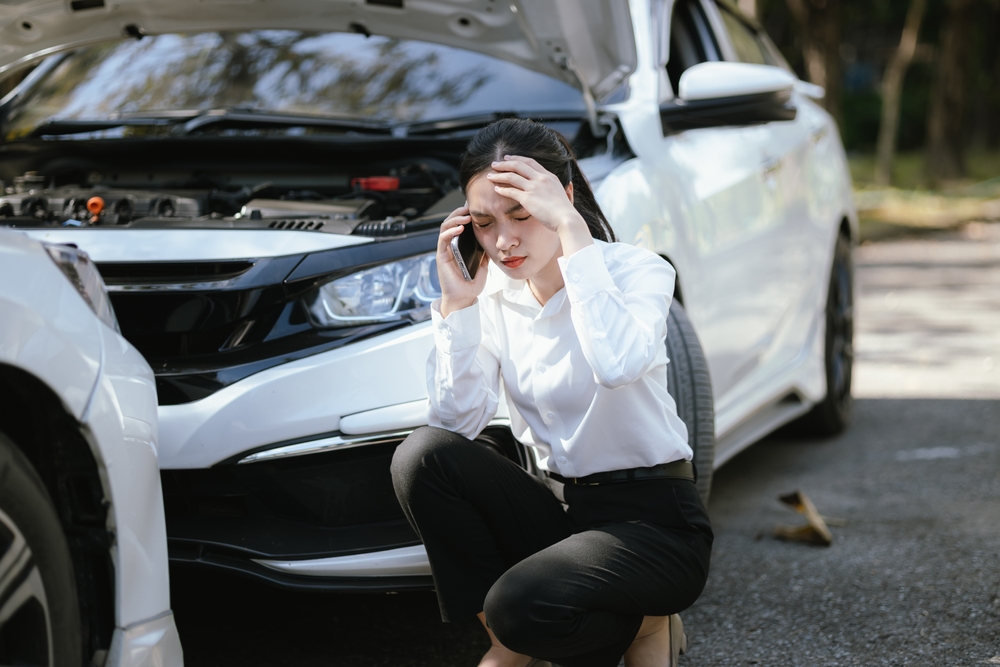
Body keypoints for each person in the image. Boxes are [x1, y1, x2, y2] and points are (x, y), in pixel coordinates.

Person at [390, 118, 713, 667]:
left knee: (522, 608)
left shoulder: (638, 271)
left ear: (562, 198)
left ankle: (638, 623)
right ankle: (536, 638)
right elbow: (456, 423)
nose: (503, 241)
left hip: (653, 523)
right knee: (422, 457)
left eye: (524, 214)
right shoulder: (491, 293)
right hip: (563, 515)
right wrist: (458, 309)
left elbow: (616, 365)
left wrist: (571, 233)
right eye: (486, 223)